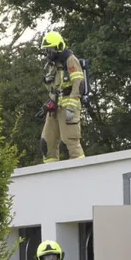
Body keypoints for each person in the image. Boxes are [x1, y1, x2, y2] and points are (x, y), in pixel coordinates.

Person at [39, 31, 86, 163]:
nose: (48, 53)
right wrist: (50, 102)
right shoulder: (52, 65)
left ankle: (80, 171)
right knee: (46, 142)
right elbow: (53, 87)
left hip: (68, 106)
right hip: (55, 107)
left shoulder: (70, 60)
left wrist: (72, 105)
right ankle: (51, 175)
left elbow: (79, 83)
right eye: (46, 50)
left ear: (59, 47)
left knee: (70, 141)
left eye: (50, 49)